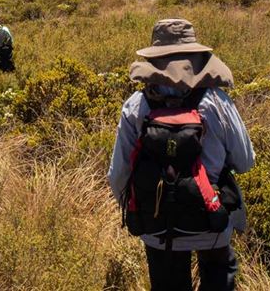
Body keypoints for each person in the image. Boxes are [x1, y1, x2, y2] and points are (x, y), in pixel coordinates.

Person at [108, 19, 254, 291]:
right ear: (195, 57)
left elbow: (118, 175)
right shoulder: (216, 101)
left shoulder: (135, 106)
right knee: (220, 273)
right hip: (212, 221)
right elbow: (245, 162)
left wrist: (142, 208)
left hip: (157, 228)